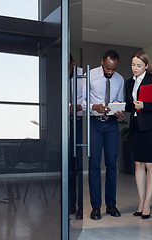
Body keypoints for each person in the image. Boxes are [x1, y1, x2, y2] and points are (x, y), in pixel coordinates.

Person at [83, 50, 125, 220]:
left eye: (113, 69)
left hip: (112, 125)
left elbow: (119, 102)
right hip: (94, 124)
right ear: (102, 62)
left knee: (111, 165)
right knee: (94, 165)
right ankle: (95, 207)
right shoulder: (90, 75)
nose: (110, 72)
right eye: (108, 68)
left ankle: (111, 205)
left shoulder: (120, 79)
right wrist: (94, 107)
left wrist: (120, 112)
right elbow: (82, 101)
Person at [124, 51, 152, 219]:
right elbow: (129, 106)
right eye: (133, 65)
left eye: (139, 65)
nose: (135, 68)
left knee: (150, 165)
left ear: (146, 66)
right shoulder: (129, 83)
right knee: (138, 165)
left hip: (151, 127)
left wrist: (145, 105)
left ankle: (148, 202)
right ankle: (141, 201)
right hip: (135, 127)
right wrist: (118, 107)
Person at [69, 54, 84, 220]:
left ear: (73, 62)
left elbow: (89, 99)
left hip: (79, 122)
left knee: (80, 166)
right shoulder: (60, 74)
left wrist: (79, 107)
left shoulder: (83, 76)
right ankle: (70, 203)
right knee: (68, 167)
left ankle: (80, 206)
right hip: (64, 125)